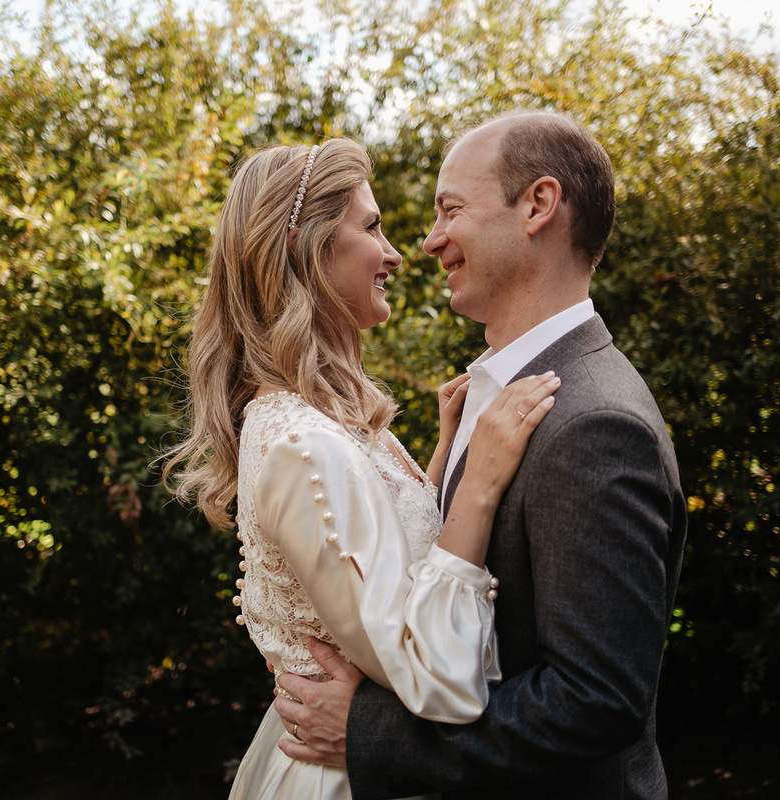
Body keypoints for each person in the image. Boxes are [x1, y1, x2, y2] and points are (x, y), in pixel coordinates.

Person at [273, 112, 687, 799]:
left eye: (450, 210)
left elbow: (596, 702)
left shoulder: (595, 424)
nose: (430, 241)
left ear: (538, 206)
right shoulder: (489, 396)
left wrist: (369, 732)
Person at [160, 138, 561, 800]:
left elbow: (383, 565)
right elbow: (435, 676)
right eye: (372, 226)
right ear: (307, 248)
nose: (398, 253)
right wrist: (480, 481)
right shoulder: (301, 444)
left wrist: (439, 460)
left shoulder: (326, 424)